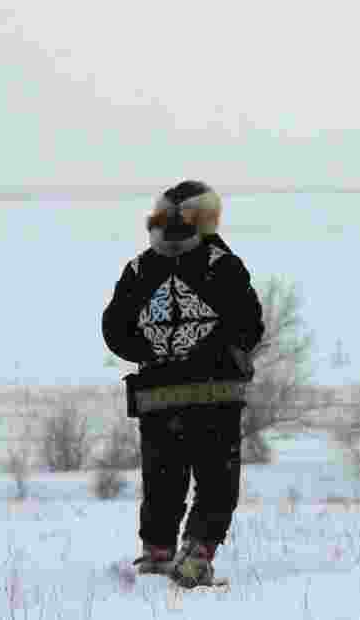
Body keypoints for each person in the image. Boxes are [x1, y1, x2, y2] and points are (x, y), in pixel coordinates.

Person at [101, 180, 264, 588]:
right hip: (216, 396)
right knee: (216, 482)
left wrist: (155, 349)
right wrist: (219, 353)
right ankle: (196, 555)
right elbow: (250, 324)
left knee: (162, 479)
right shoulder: (221, 264)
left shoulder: (139, 268)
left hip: (156, 398)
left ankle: (157, 553)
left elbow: (114, 330)